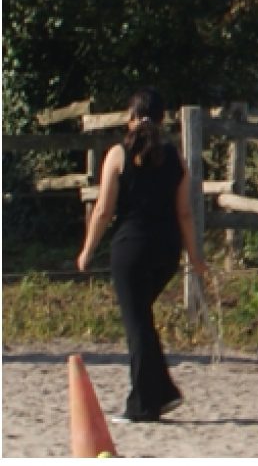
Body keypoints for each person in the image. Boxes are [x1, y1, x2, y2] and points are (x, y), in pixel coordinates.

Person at [77, 87, 208, 423]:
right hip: (166, 250)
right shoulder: (176, 159)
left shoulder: (118, 155)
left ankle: (143, 404)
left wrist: (88, 249)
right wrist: (195, 257)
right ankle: (162, 392)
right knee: (142, 321)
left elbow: (104, 209)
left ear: (130, 117)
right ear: (164, 119)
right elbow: (185, 214)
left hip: (130, 250)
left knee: (137, 325)